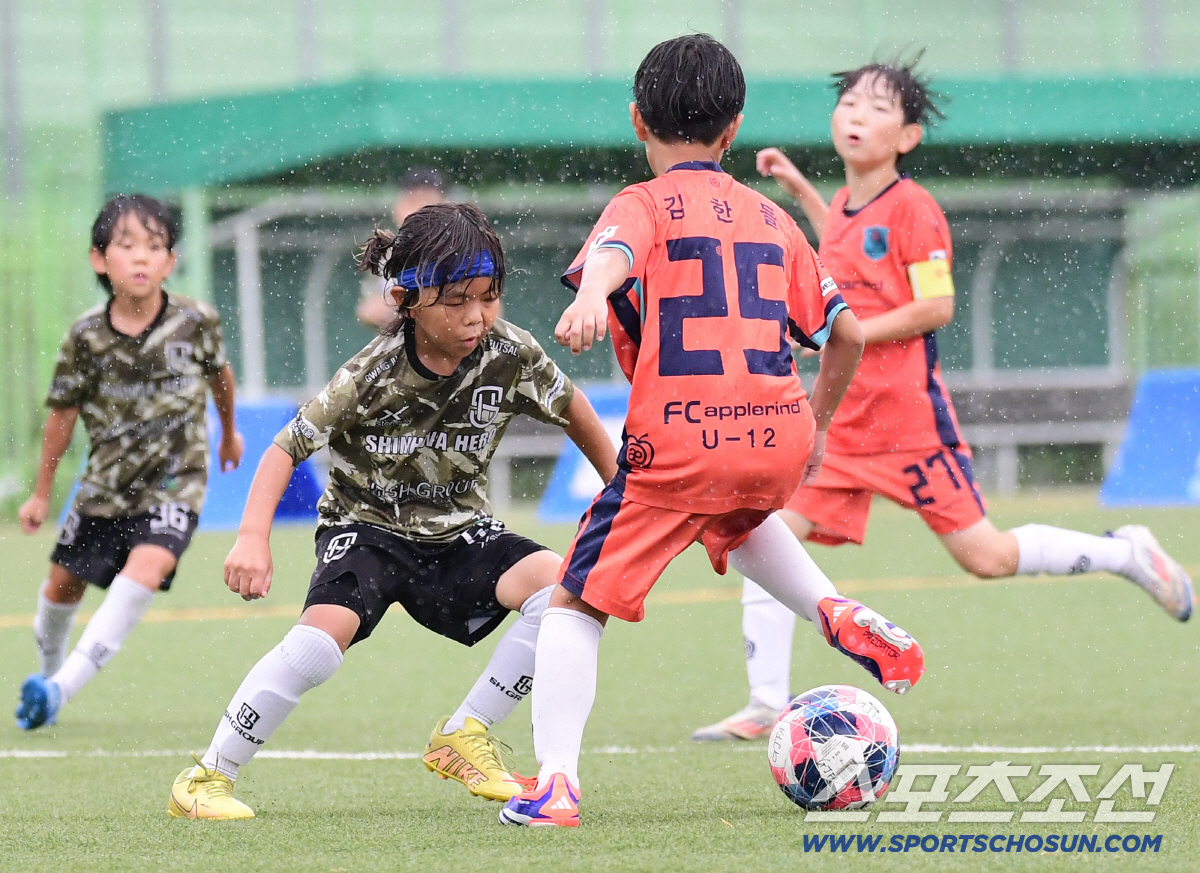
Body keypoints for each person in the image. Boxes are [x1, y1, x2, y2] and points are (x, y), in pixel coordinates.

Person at [691, 57, 1196, 743]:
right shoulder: (843, 203)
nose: (857, 117)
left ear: (909, 137)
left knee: (984, 555)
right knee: (766, 532)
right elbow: (843, 247)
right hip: (841, 429)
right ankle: (765, 702)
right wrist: (802, 191)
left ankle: (1125, 553)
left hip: (909, 427)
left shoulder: (916, 209)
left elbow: (937, 304)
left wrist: (855, 331)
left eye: (876, 109)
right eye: (849, 105)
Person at [498, 35, 925, 829]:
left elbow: (617, 252)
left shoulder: (642, 201)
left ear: (636, 120)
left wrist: (593, 292)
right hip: (776, 437)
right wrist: (819, 426)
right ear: (733, 129)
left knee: (572, 604)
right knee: (742, 510)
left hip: (680, 436)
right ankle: (833, 610)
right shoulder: (776, 221)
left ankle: (555, 783)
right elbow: (850, 334)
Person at [168, 203, 617, 820]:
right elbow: (283, 448)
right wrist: (252, 536)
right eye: (456, 300)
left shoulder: (512, 353)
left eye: (488, 297)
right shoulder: (370, 374)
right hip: (365, 533)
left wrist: (624, 498)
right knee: (319, 648)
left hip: (462, 536)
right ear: (407, 298)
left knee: (567, 595)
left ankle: (465, 732)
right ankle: (207, 777)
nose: (476, 316)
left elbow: (576, 413)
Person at [14, 194, 243, 730]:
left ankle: (59, 692)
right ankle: (48, 674)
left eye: (156, 246)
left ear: (170, 260)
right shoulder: (84, 336)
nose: (142, 257)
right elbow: (62, 416)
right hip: (105, 487)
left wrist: (230, 436)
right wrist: (42, 492)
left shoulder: (196, 320)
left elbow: (220, 378)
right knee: (60, 590)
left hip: (176, 481)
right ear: (100, 259)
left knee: (150, 563)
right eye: (127, 245)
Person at [356, 167, 448, 329]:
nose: (418, 212)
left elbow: (488, 310)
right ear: (398, 208)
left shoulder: (456, 251)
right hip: (398, 347)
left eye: (428, 205)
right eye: (412, 203)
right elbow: (366, 311)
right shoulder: (385, 253)